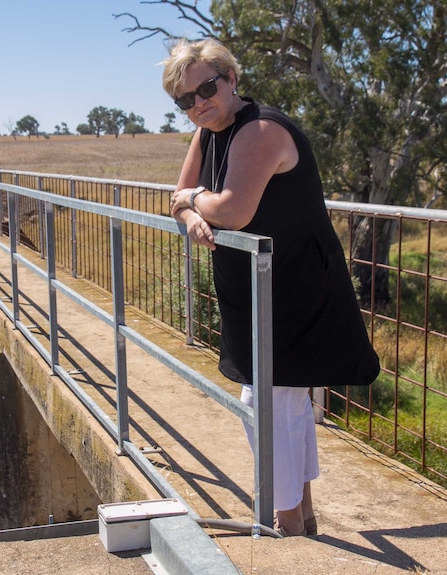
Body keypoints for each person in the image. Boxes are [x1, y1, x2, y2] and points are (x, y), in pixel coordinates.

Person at [162, 39, 380, 537]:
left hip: (294, 289)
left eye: (206, 88)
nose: (198, 103)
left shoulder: (260, 130)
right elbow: (175, 199)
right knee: (284, 403)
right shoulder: (210, 130)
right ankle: (303, 520)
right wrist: (192, 209)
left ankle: (287, 531)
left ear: (230, 79)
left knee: (267, 405)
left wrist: (195, 200)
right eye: (185, 100)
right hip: (257, 291)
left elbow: (234, 209)